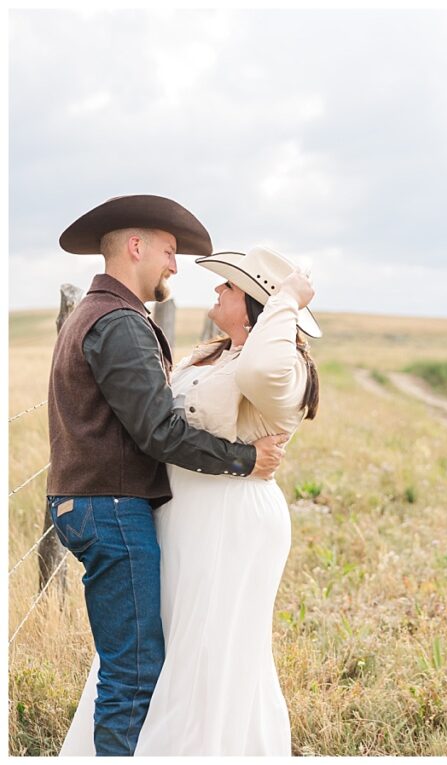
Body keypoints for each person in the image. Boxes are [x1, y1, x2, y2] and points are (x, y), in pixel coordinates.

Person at [47, 196, 287, 756]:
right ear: (136, 248)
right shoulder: (120, 322)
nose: (176, 266)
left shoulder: (94, 313)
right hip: (110, 508)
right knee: (132, 678)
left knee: (128, 666)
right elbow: (158, 431)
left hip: (92, 503)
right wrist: (246, 460)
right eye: (170, 252)